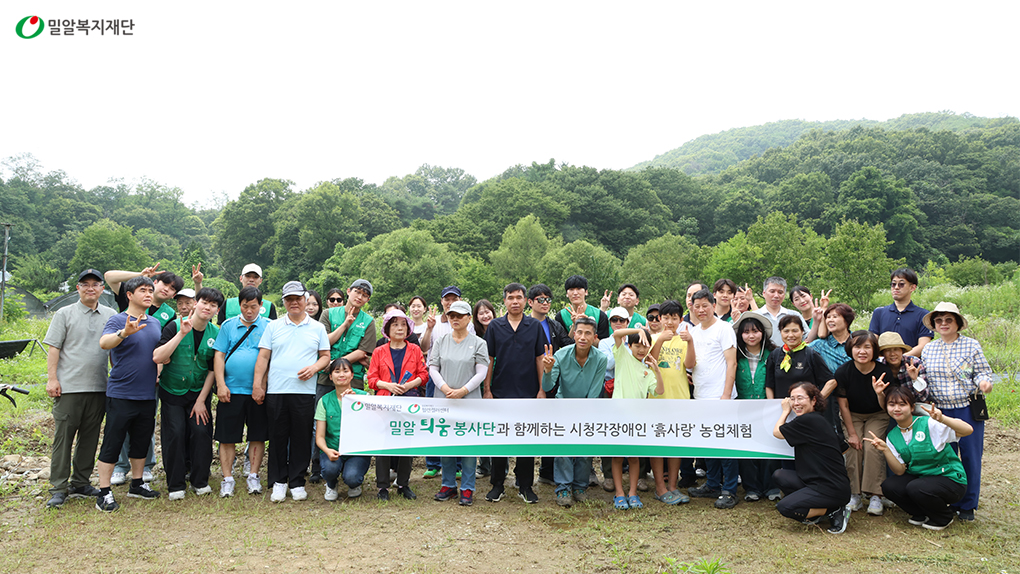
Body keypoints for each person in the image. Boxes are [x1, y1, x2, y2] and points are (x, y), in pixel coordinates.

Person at [43, 269, 116, 509]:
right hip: (69, 387)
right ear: (78, 288)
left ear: (102, 288)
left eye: (95, 284)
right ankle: (58, 487)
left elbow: (115, 349)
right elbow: (54, 348)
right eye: (85, 284)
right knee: (63, 439)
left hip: (99, 387)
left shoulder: (110, 314)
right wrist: (52, 379)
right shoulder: (64, 314)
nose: (90, 288)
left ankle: (81, 482)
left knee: (90, 438)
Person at [253, 281, 331, 503]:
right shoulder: (273, 326)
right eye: (289, 299)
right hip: (276, 390)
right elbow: (263, 357)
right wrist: (258, 385)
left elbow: (325, 356)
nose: (294, 303)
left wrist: (314, 368)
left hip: (304, 392)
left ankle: (297, 482)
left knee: (301, 437)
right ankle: (278, 482)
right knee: (277, 437)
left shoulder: (317, 328)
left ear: (305, 300)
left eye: (298, 298)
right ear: (284, 302)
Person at [94, 276, 164, 511]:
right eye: (143, 290)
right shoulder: (118, 320)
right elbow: (104, 343)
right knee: (113, 442)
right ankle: (104, 492)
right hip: (121, 393)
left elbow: (157, 352)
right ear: (129, 295)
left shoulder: (155, 323)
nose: (148, 294)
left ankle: (137, 483)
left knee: (141, 441)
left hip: (148, 394)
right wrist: (124, 332)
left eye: (150, 290)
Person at [920, 302, 993, 521]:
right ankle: (949, 499)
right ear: (934, 325)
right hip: (940, 411)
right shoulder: (929, 349)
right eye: (939, 320)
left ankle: (968, 504)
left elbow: (982, 372)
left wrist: (984, 383)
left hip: (967, 408)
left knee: (971, 456)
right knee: (945, 456)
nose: (943, 324)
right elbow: (924, 379)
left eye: (948, 320)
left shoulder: (971, 345)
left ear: (958, 323)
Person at [866, 386, 972, 530]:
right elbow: (899, 471)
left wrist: (942, 418)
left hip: (950, 479)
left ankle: (943, 518)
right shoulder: (892, 435)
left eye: (902, 404)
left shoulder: (928, 424)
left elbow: (968, 430)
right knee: (889, 486)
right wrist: (885, 449)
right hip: (922, 479)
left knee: (916, 487)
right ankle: (922, 513)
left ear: (912, 407)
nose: (897, 409)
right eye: (892, 404)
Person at [152, 287, 224, 501]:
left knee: (201, 432)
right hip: (172, 391)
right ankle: (175, 484)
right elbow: (158, 356)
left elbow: (212, 369)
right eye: (204, 302)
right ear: (196, 303)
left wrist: (202, 400)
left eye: (213, 305)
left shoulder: (215, 334)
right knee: (175, 433)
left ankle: (199, 480)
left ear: (217, 310)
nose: (207, 307)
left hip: (199, 392)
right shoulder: (174, 326)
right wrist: (181, 334)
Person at [483, 283, 546, 504]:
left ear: (525, 301)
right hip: (501, 391)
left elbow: (540, 358)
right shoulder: (495, 326)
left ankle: (525, 485)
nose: (515, 301)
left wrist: (541, 389)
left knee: (526, 439)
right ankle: (497, 484)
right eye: (511, 298)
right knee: (499, 440)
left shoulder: (534, 326)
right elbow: (489, 359)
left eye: (519, 297)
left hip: (528, 391)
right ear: (505, 301)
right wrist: (487, 389)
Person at [541, 316, 608, 507]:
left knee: (585, 451)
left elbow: (595, 391)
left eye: (588, 333)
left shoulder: (600, 358)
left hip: (589, 409)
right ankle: (563, 488)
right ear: (574, 334)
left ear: (594, 337)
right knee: (563, 450)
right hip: (563, 408)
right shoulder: (561, 355)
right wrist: (547, 370)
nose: (583, 337)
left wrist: (585, 414)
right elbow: (548, 386)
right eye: (579, 332)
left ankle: (580, 487)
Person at [429, 301, 489, 506]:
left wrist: (463, 390)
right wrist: (445, 388)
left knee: (468, 445)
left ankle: (467, 487)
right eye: (451, 315)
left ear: (468, 318)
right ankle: (448, 485)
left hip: (469, 400)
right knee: (446, 442)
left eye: (460, 315)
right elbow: (433, 368)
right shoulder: (441, 341)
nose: (455, 319)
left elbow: (481, 372)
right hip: (444, 399)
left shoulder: (479, 343)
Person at [212, 286, 271, 496]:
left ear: (261, 306)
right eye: (245, 306)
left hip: (257, 391)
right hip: (231, 390)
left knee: (257, 435)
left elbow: (270, 358)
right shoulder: (228, 326)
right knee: (227, 436)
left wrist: (262, 385)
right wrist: (221, 384)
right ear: (239, 305)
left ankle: (253, 476)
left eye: (253, 306)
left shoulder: (269, 326)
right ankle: (227, 478)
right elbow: (219, 356)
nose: (249, 311)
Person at [772, 382, 852, 534]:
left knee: (785, 507)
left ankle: (834, 510)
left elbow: (777, 432)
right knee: (780, 475)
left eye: (800, 398)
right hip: (816, 481)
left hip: (830, 487)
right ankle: (820, 508)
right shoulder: (820, 420)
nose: (796, 403)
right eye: (792, 399)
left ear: (813, 400)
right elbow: (844, 448)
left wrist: (785, 411)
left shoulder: (808, 420)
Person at [685, 290, 740, 509]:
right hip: (701, 396)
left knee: (726, 444)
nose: (701, 310)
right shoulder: (693, 332)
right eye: (696, 306)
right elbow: (691, 364)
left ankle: (729, 490)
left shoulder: (724, 328)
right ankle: (712, 484)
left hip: (720, 396)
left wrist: (726, 394)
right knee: (708, 442)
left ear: (713, 305)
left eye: (705, 305)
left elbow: (732, 362)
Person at [367, 310, 428, 501]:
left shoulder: (415, 350)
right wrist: (387, 385)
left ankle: (403, 484)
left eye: (403, 324)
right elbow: (371, 379)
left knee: (406, 443)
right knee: (384, 444)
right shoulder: (379, 351)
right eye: (395, 324)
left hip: (409, 401)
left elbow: (424, 374)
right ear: (387, 329)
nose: (400, 328)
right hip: (385, 402)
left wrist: (409, 385)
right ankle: (382, 486)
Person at [834, 330, 895, 516]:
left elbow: (886, 407)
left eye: (867, 347)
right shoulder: (843, 371)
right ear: (850, 349)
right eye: (857, 347)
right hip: (852, 414)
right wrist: (852, 434)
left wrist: (879, 393)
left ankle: (876, 494)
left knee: (872, 447)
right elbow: (843, 405)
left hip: (878, 414)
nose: (862, 351)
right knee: (854, 447)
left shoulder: (883, 371)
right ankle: (855, 494)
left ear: (874, 350)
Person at [765, 315, 841, 454]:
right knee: (784, 453)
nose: (791, 335)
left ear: (802, 332)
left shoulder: (811, 354)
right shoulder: (775, 355)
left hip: (806, 415)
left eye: (795, 330)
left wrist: (814, 403)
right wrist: (773, 407)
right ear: (780, 332)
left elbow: (831, 382)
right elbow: (769, 385)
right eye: (786, 331)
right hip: (783, 414)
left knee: (807, 452)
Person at [607, 326, 664, 509]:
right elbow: (616, 334)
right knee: (617, 457)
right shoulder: (623, 356)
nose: (641, 349)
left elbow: (659, 390)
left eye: (645, 346)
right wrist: (637, 330)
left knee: (633, 457)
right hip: (617, 416)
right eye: (637, 345)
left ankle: (632, 493)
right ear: (629, 346)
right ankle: (619, 493)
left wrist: (657, 371)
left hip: (637, 420)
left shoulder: (647, 371)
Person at [420, 286, 473, 478]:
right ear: (441, 301)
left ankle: (457, 465)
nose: (450, 303)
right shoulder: (434, 322)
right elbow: (423, 347)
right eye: (446, 299)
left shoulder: (468, 323)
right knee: (434, 419)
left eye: (454, 299)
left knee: (458, 421)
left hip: (459, 377)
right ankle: (433, 463)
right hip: (436, 377)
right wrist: (429, 328)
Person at [647, 300, 694, 504]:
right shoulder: (651, 338)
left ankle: (673, 486)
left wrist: (690, 342)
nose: (669, 322)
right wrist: (659, 341)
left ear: (681, 319)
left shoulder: (684, 339)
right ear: (659, 319)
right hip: (656, 400)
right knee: (657, 445)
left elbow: (690, 364)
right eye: (665, 317)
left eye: (674, 318)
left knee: (676, 444)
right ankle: (660, 488)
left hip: (680, 399)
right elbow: (649, 361)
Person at [528, 283, 574, 486]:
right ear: (530, 302)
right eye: (541, 300)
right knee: (529, 427)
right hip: (529, 381)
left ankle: (547, 472)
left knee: (551, 426)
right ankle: (523, 475)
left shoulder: (554, 325)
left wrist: (574, 326)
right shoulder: (524, 324)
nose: (545, 303)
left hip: (551, 381)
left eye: (548, 300)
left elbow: (568, 345)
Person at [731, 312, 776, 502]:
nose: (751, 336)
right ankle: (752, 488)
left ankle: (771, 486)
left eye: (755, 331)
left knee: (769, 447)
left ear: (763, 333)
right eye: (746, 332)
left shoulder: (774, 354)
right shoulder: (735, 355)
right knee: (746, 448)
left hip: (767, 407)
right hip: (743, 408)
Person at [315, 357, 371, 501]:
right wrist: (327, 450)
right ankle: (331, 484)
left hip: (357, 450)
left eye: (345, 371)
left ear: (352, 375)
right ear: (330, 376)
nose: (341, 374)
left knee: (352, 477)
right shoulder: (324, 401)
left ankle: (354, 484)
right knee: (330, 469)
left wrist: (358, 403)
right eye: (337, 371)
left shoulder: (365, 397)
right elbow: (319, 436)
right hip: (333, 448)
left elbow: (372, 427)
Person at [869, 268, 932, 358]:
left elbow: (923, 346)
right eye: (893, 284)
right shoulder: (879, 312)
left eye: (901, 284)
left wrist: (899, 359)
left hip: (910, 364)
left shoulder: (923, 315)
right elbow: (872, 342)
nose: (896, 287)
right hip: (882, 363)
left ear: (912, 287)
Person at [877, 332, 928, 404]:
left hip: (914, 405)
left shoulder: (914, 363)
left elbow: (924, 397)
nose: (892, 354)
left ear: (902, 351)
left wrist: (915, 380)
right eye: (888, 350)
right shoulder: (879, 366)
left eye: (896, 349)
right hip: (889, 406)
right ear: (883, 353)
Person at [555, 275, 610, 342]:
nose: (575, 293)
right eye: (571, 289)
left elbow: (603, 344)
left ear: (586, 292)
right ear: (567, 293)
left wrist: (586, 325)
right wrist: (574, 325)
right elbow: (564, 343)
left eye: (579, 289)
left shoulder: (599, 315)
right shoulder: (561, 316)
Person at [758, 277, 807, 348]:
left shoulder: (794, 315)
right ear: (764, 293)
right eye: (772, 291)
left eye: (780, 292)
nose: (776, 295)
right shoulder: (755, 316)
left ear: (784, 295)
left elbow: (807, 337)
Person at [807, 302, 851, 372]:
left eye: (835, 317)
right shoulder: (819, 345)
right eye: (828, 317)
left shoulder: (858, 341)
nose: (830, 320)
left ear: (847, 321)